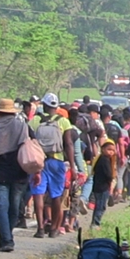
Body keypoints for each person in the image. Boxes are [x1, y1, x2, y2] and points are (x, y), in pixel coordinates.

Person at [29, 93, 76, 238]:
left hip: (39, 161)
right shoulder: (63, 122)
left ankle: (40, 227)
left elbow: (30, 142)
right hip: (57, 161)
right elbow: (68, 144)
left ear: (44, 105)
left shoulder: (35, 121)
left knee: (38, 194)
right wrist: (73, 166)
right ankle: (55, 228)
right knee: (56, 195)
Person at [0, 98, 30, 252]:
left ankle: (6, 239)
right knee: (14, 205)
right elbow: (25, 145)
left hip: (0, 169)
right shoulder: (21, 126)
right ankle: (7, 235)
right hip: (19, 169)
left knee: (1, 205)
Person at [91, 140, 117, 228]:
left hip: (98, 186)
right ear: (103, 149)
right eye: (109, 149)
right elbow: (108, 174)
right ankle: (96, 223)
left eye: (113, 150)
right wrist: (112, 180)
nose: (111, 152)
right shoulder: (104, 160)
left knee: (99, 205)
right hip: (102, 187)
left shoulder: (101, 158)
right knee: (101, 206)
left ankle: (94, 223)